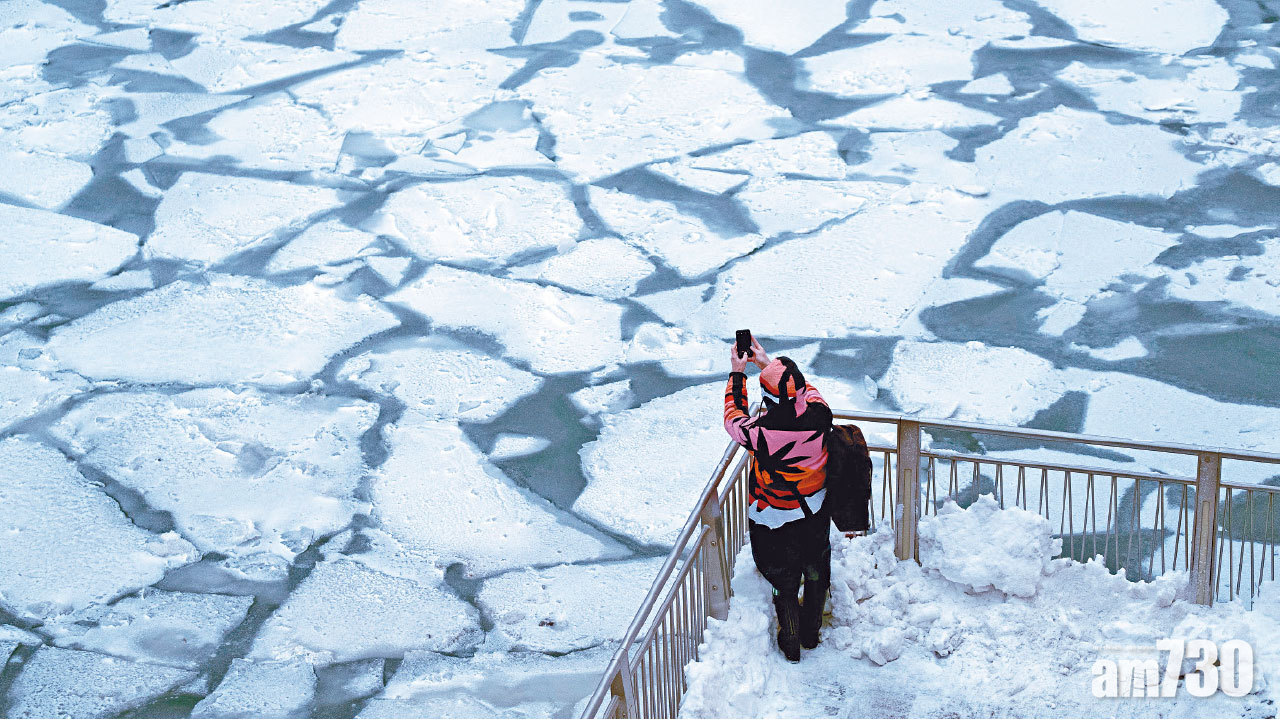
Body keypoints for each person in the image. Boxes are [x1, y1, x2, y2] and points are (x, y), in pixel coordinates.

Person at [723, 336, 833, 662]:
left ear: (768, 399)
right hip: (813, 509)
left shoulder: (761, 432)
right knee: (816, 572)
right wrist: (767, 363)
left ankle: (791, 640)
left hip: (774, 520)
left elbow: (733, 418)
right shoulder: (820, 415)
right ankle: (811, 633)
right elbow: (806, 390)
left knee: (782, 581)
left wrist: (738, 374)